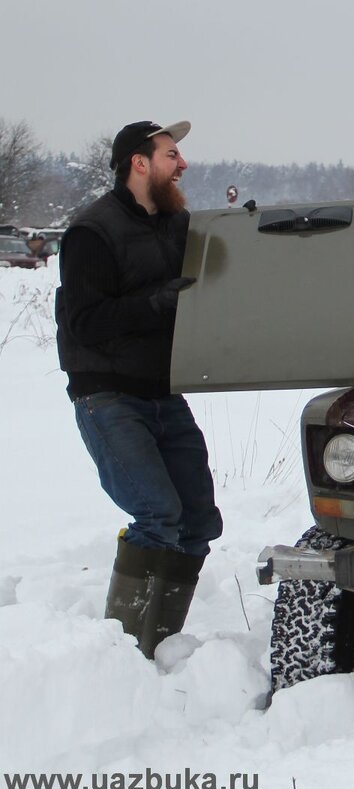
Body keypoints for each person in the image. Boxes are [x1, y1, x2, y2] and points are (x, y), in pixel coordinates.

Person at [55, 120, 222, 659]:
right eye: (172, 154)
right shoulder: (93, 231)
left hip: (162, 392)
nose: (184, 164)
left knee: (197, 520)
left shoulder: (176, 225)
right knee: (157, 514)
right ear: (139, 163)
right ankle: (126, 653)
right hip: (107, 395)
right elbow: (83, 320)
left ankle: (162, 643)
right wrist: (155, 303)